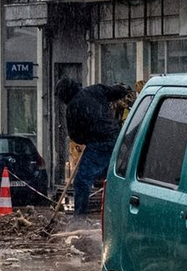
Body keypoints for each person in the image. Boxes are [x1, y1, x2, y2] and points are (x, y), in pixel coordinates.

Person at [54, 78, 131, 217]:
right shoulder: (96, 90)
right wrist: (123, 89)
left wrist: (87, 138)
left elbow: (75, 136)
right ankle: (119, 214)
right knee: (117, 178)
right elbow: (116, 92)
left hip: (98, 144)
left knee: (82, 180)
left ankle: (79, 218)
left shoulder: (72, 107)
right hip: (118, 140)